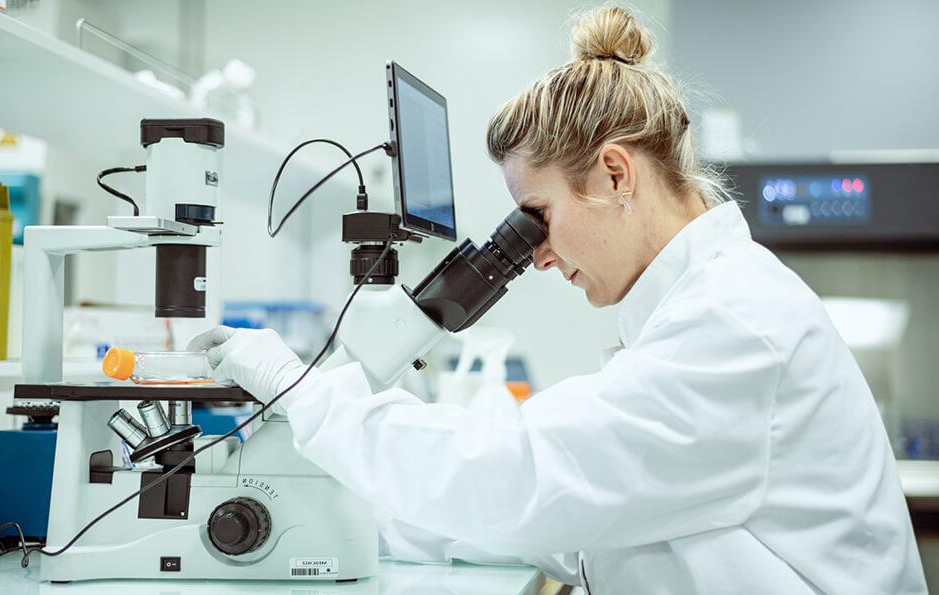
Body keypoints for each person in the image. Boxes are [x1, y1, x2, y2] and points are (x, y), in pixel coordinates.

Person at [188, 6, 926, 593]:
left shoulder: (732, 322)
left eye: (538, 216)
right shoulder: (702, 305)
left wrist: (306, 395)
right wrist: (373, 515)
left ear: (615, 174)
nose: (536, 255)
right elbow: (583, 512)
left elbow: (524, 478)